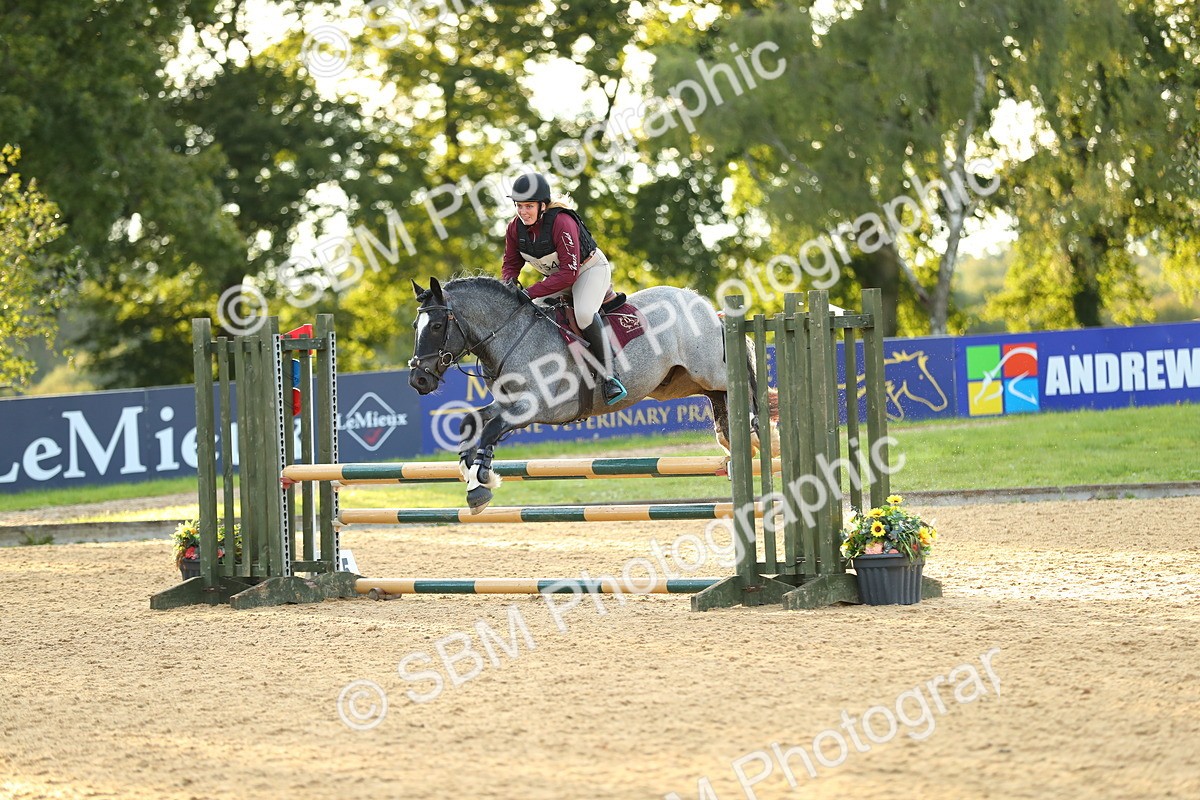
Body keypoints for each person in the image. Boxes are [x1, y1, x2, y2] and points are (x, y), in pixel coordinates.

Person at [502, 172, 627, 405]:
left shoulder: (561, 222)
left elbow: (569, 275)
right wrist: (509, 284)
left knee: (583, 314)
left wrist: (529, 292)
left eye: (529, 206)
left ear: (542, 205)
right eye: (519, 205)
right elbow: (511, 263)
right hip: (557, 278)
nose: (523, 211)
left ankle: (610, 375)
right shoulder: (514, 229)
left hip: (588, 270)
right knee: (526, 314)